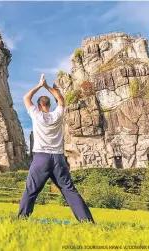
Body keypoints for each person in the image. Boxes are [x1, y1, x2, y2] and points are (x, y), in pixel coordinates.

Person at [18, 74, 94, 223]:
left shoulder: (36, 115)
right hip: (58, 158)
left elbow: (26, 98)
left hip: (41, 158)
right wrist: (47, 87)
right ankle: (87, 221)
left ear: (39, 106)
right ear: (49, 105)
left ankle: (21, 219)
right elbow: (61, 99)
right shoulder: (57, 115)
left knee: (31, 190)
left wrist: (40, 85)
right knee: (69, 190)